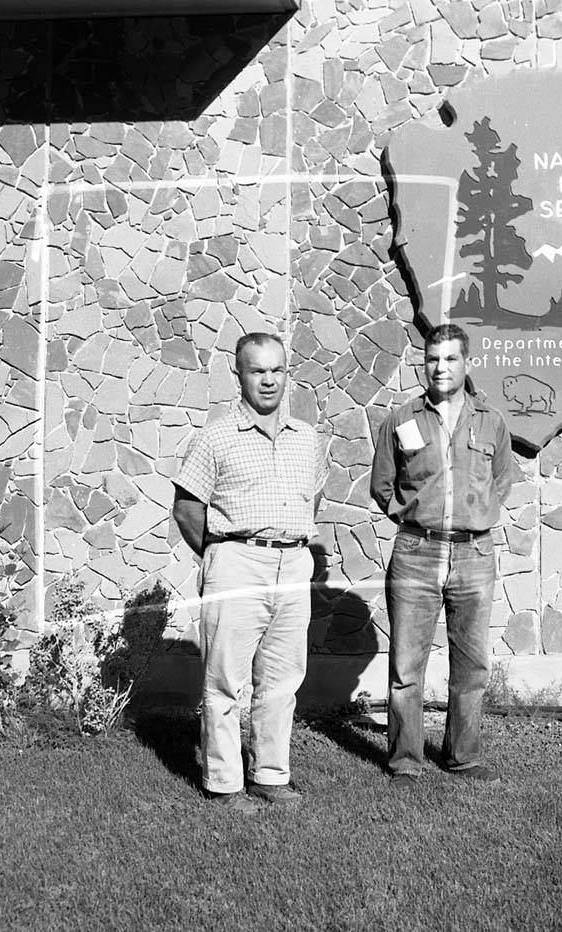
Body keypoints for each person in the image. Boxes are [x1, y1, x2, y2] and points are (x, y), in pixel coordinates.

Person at [172, 332, 323, 814]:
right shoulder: (216, 436)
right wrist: (222, 557)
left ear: (287, 373)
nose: (268, 380)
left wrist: (287, 543)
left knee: (281, 680)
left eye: (277, 370)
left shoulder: (307, 438)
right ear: (238, 374)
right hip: (237, 561)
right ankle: (223, 782)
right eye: (258, 371)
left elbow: (312, 498)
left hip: (293, 563)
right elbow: (186, 509)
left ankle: (270, 775)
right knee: (225, 681)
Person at [370, 322, 516, 786]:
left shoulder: (490, 421)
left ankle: (463, 756)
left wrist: (477, 515)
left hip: (474, 555)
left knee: (471, 665)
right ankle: (406, 761)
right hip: (415, 552)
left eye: (451, 358)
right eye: (433, 358)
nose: (441, 367)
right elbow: (382, 484)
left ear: (466, 362)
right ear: (424, 362)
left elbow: (502, 480)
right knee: (405, 667)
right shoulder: (402, 420)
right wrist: (413, 516)